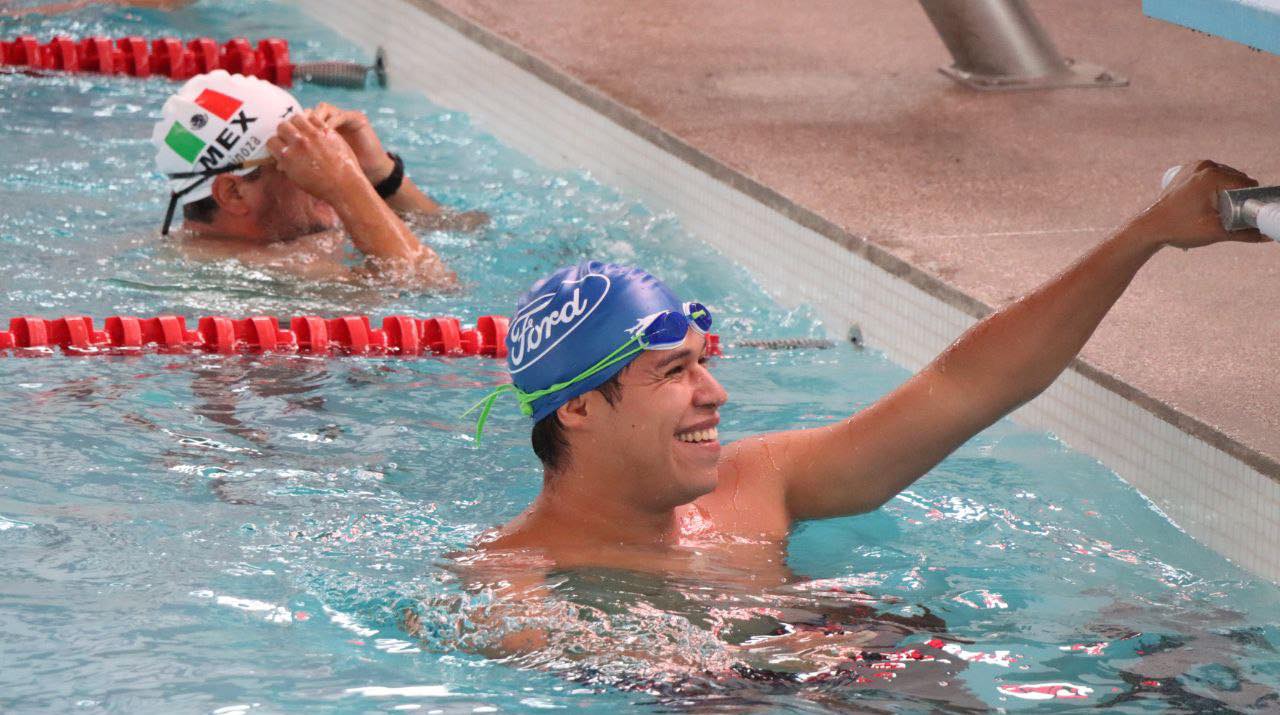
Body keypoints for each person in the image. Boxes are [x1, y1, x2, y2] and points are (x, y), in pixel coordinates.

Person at [450, 160, 1269, 667]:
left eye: (705, 363)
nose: (715, 394)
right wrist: (770, 644)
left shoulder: (755, 483)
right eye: (675, 371)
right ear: (583, 406)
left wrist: (1146, 233)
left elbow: (965, 388)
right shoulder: (509, 589)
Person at [152, 70, 484, 285]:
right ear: (234, 193)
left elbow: (466, 229)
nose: (324, 163)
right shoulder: (249, 269)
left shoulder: (285, 225)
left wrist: (380, 174)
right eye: (300, 156)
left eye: (321, 145)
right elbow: (430, 286)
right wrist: (346, 183)